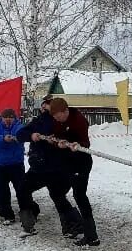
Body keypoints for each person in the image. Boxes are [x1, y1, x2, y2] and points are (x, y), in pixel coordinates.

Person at [16, 97, 83, 238]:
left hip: (57, 166)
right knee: (23, 189)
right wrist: (31, 135)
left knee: (57, 195)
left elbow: (71, 137)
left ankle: (74, 225)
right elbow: (20, 134)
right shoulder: (39, 121)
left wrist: (61, 143)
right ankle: (29, 221)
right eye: (44, 105)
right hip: (39, 166)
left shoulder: (63, 121)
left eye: (48, 105)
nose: (45, 108)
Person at [48, 97, 99, 246]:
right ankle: (74, 222)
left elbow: (85, 142)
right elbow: (57, 135)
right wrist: (55, 141)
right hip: (66, 163)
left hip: (81, 162)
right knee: (56, 191)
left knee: (79, 195)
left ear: (65, 111)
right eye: (55, 117)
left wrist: (77, 144)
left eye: (58, 116)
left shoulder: (79, 120)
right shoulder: (57, 120)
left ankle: (92, 235)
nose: (57, 119)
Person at [0, 109, 26, 224]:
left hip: (16, 164)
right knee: (1, 191)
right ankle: (7, 215)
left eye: (10, 117)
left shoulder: (19, 126)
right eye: (5, 117)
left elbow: (20, 135)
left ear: (14, 118)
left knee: (22, 190)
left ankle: (27, 213)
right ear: (1, 118)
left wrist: (14, 137)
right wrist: (4, 138)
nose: (8, 119)